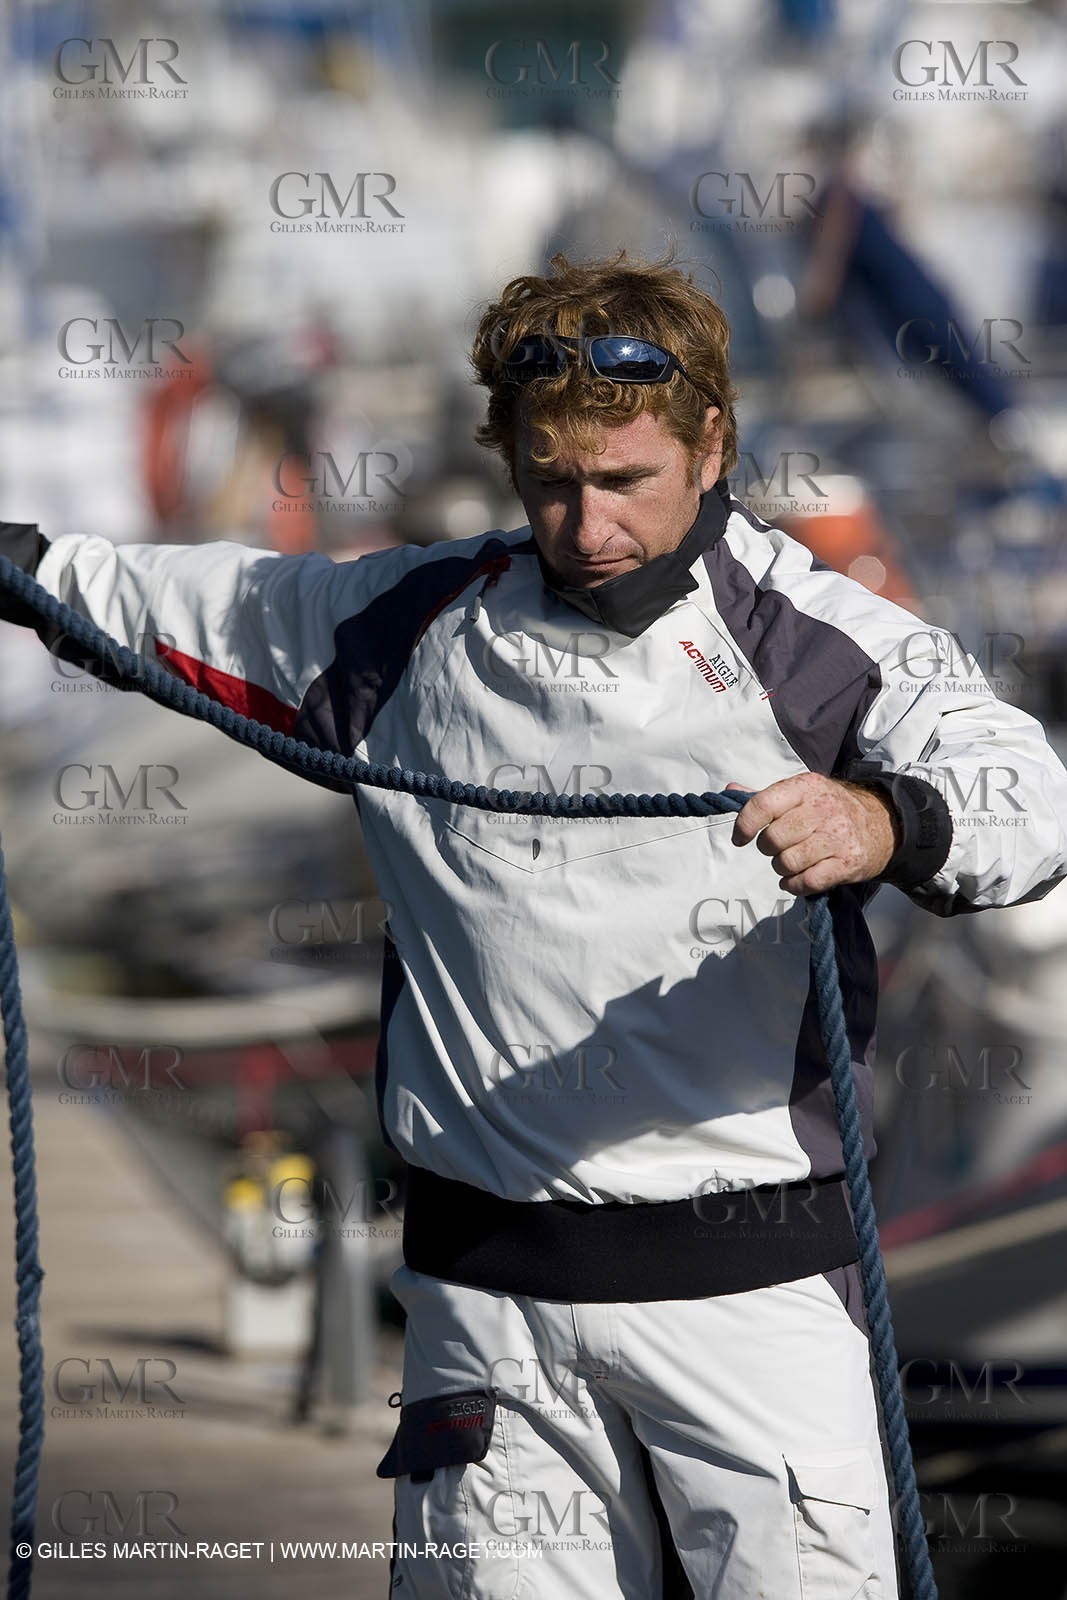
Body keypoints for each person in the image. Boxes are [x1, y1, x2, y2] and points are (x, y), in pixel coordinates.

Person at [3, 250, 1066, 1599]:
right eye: (550, 482)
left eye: (624, 481)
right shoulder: (397, 630)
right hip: (485, 1315)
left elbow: (1025, 793)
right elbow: (146, 598)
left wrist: (882, 822)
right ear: (507, 454)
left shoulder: (821, 647)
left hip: (759, 1308)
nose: (586, 525)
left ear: (711, 443)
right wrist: (20, 568)